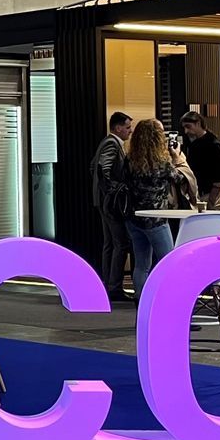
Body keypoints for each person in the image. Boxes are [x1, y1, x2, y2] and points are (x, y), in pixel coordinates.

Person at [117, 119, 192, 281]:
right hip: (156, 220)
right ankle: (167, 294)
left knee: (141, 265)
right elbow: (180, 179)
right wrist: (178, 158)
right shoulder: (161, 162)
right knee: (169, 261)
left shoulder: (130, 160)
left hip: (134, 217)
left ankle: (141, 296)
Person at [88, 112, 134, 300]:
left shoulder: (107, 142)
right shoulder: (112, 144)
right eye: (128, 127)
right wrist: (115, 191)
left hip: (103, 201)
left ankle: (108, 284)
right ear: (118, 128)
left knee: (110, 244)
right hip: (111, 203)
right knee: (120, 243)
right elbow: (102, 168)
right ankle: (114, 287)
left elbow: (94, 166)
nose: (130, 131)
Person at [178, 111, 220, 209]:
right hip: (198, 193)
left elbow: (219, 177)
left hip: (211, 194)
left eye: (188, 127)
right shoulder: (193, 145)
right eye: (184, 127)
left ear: (198, 123)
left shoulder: (214, 145)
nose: (186, 131)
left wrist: (211, 201)